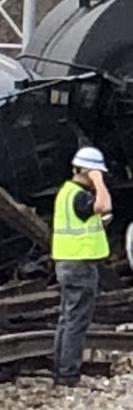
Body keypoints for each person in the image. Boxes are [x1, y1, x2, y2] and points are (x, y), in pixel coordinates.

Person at [52, 145, 113, 388]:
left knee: (66, 318)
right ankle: (68, 375)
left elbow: (93, 216)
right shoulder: (80, 195)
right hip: (80, 266)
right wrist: (98, 181)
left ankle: (61, 370)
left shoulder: (66, 192)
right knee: (76, 321)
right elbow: (104, 205)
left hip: (66, 263)